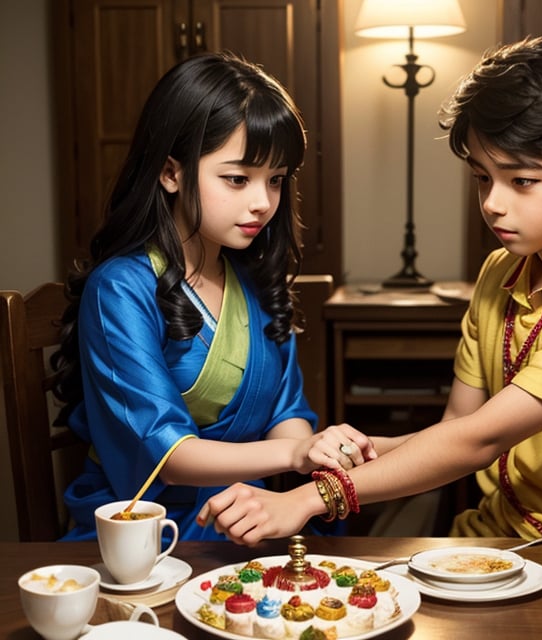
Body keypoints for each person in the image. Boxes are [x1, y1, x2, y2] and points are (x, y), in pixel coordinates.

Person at [199, 36, 542, 549]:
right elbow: (457, 427)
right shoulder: (501, 271)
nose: (493, 203)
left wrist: (307, 499)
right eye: (482, 177)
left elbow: (478, 440)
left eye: (521, 181)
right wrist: (347, 451)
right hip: (494, 539)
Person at [51, 51, 376, 541]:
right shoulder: (119, 289)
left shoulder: (256, 282)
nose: (263, 202)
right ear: (171, 173)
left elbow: (287, 416)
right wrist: (295, 454)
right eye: (237, 178)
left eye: (276, 180)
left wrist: (315, 451)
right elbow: (170, 456)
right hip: (147, 530)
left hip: (246, 514)